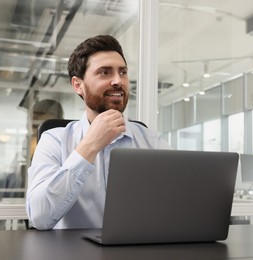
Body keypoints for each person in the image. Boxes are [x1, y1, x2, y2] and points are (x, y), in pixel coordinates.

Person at [26, 35, 170, 230]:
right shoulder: (54, 140)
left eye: (123, 72)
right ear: (78, 85)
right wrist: (90, 145)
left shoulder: (153, 142)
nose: (118, 81)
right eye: (104, 73)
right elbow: (39, 217)